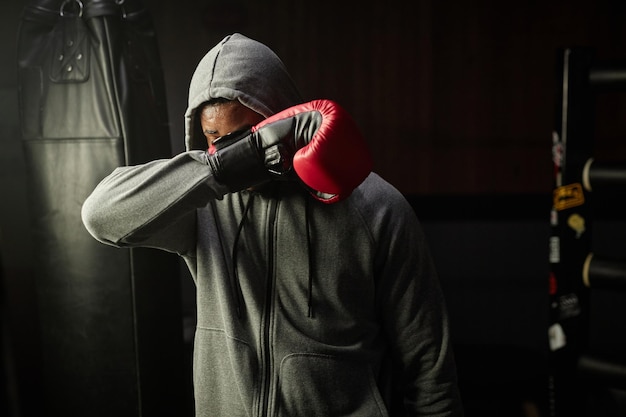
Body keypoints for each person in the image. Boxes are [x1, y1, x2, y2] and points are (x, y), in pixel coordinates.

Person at [81, 32, 464, 417]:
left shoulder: (376, 208)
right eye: (215, 139)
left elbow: (428, 365)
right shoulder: (202, 204)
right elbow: (100, 216)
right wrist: (221, 168)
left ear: (283, 117)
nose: (232, 152)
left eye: (247, 137)